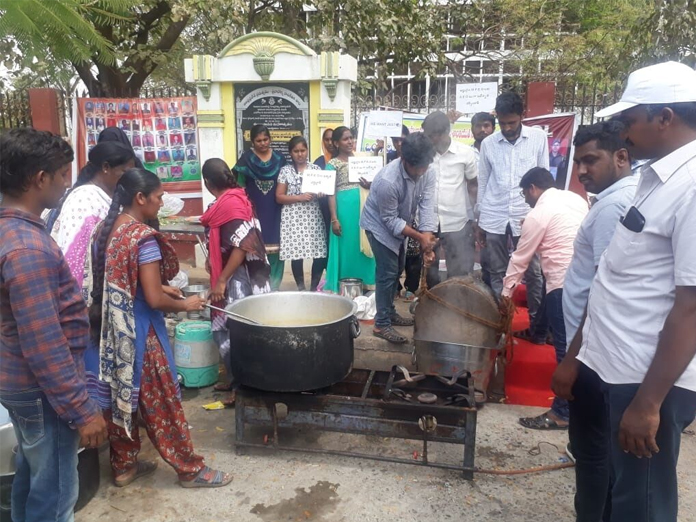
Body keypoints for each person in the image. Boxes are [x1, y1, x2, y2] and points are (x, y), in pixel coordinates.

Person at [552, 61, 696, 522]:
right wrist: (576, 357)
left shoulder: (692, 186)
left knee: (643, 503)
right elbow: (612, 279)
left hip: (649, 379)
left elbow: (691, 307)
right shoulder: (654, 180)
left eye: (630, 119)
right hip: (617, 365)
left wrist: (649, 403)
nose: (625, 132)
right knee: (620, 492)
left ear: (665, 117)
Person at [86, 167, 232, 488]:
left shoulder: (106, 230)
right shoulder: (143, 238)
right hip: (140, 334)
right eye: (158, 197)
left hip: (111, 331)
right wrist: (186, 305)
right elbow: (153, 299)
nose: (161, 201)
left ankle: (124, 467)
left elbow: (117, 278)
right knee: (161, 401)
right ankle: (190, 470)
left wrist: (161, 288)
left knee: (120, 396)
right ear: (140, 198)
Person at [0, 128, 108, 522]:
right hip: (43, 391)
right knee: (57, 494)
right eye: (63, 174)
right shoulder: (28, 248)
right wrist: (83, 411)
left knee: (33, 476)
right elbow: (44, 344)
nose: (68, 182)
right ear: (39, 179)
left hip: (22, 383)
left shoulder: (14, 231)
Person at [553, 120, 637, 521]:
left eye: (591, 161)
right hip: (596, 348)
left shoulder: (614, 207)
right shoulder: (616, 199)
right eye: (578, 163)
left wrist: (571, 359)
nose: (582, 171)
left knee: (591, 449)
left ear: (621, 157)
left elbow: (604, 289)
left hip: (592, 353)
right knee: (597, 448)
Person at [498, 167, 588, 430]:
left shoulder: (537, 214)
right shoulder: (575, 199)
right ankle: (537, 334)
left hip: (563, 282)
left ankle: (562, 412)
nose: (525, 199)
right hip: (584, 277)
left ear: (533, 188)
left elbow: (520, 259)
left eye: (525, 194)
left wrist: (506, 294)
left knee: (565, 346)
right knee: (555, 310)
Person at [476, 91, 548, 340]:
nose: (507, 128)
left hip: (527, 215)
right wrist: (480, 219)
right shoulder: (488, 144)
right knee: (496, 270)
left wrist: (543, 213)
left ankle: (538, 327)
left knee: (534, 272)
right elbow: (483, 183)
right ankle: (502, 321)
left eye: (512, 123)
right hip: (494, 213)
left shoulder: (538, 138)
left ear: (522, 116)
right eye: (503, 123)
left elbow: (544, 180)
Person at [201, 159, 271, 399]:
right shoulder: (237, 198)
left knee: (237, 329)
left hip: (241, 276)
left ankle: (243, 386)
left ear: (208, 183)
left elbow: (242, 245)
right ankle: (235, 380)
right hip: (242, 273)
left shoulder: (230, 205)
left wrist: (221, 280)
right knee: (235, 328)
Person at [361, 133, 439, 343]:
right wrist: (420, 237)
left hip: (401, 222)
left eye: (425, 166)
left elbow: (427, 204)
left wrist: (427, 240)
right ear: (404, 159)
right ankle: (381, 324)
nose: (421, 172)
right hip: (379, 226)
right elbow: (390, 220)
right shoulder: (388, 180)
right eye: (417, 168)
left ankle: (390, 312)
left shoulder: (427, 171)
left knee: (397, 269)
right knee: (387, 272)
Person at [45, 141, 136, 282]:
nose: (129, 179)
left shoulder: (108, 196)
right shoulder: (84, 200)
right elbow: (75, 256)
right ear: (106, 167)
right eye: (125, 172)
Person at [422, 111, 479, 288]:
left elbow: (473, 185)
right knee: (430, 271)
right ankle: (432, 308)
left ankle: (458, 308)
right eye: (428, 136)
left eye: (433, 136)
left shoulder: (466, 153)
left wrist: (476, 215)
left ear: (445, 132)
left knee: (459, 272)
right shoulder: (424, 155)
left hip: (458, 222)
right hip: (429, 222)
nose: (430, 140)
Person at [233, 124, 286, 290]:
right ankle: (259, 287)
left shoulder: (279, 159)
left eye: (265, 139)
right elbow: (239, 188)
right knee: (255, 250)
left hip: (276, 211)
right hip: (254, 212)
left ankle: (275, 287)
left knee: (277, 250)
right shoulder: (246, 161)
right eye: (258, 140)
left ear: (270, 139)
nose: (263, 143)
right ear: (252, 142)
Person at [324, 126, 376, 293]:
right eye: (345, 139)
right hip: (344, 212)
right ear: (337, 143)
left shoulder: (361, 159)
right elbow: (330, 193)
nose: (350, 141)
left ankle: (367, 283)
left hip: (364, 210)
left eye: (351, 138)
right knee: (346, 248)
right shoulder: (332, 164)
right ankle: (344, 285)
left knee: (365, 243)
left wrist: (377, 150)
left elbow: (375, 175)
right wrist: (334, 219)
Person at [276, 136, 328, 291]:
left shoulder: (316, 170)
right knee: (296, 253)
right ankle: (301, 288)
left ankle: (313, 288)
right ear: (291, 153)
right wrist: (299, 197)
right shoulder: (285, 171)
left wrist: (321, 193)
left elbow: (325, 190)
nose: (300, 154)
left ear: (307, 151)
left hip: (312, 216)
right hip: (293, 216)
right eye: (296, 151)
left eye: (303, 150)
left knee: (319, 252)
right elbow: (279, 197)